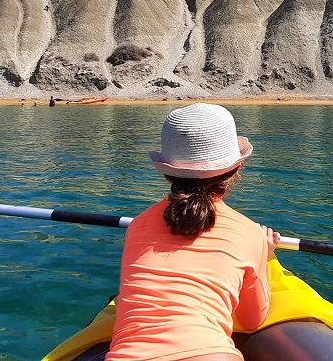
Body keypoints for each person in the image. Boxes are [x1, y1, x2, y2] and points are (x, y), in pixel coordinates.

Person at [108, 103, 280, 361]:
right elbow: (253, 319)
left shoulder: (137, 226)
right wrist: (264, 256)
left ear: (168, 173)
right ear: (235, 170)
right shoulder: (249, 233)